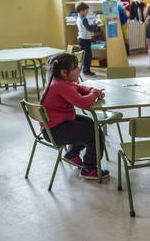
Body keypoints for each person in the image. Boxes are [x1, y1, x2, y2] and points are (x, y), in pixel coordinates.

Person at [40, 52, 109, 180]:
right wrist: (94, 94)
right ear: (64, 72)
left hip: (54, 126)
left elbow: (77, 88)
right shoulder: (60, 86)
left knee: (90, 123)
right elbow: (82, 103)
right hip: (56, 131)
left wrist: (89, 90)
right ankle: (89, 168)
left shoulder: (58, 81)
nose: (79, 69)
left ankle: (72, 154)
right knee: (94, 133)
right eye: (75, 67)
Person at [76, 2, 101, 76]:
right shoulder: (84, 19)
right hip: (85, 39)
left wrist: (92, 24)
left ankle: (86, 70)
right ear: (81, 11)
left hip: (82, 38)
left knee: (86, 56)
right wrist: (96, 24)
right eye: (86, 11)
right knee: (88, 56)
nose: (87, 13)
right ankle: (86, 71)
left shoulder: (79, 18)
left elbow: (86, 27)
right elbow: (90, 29)